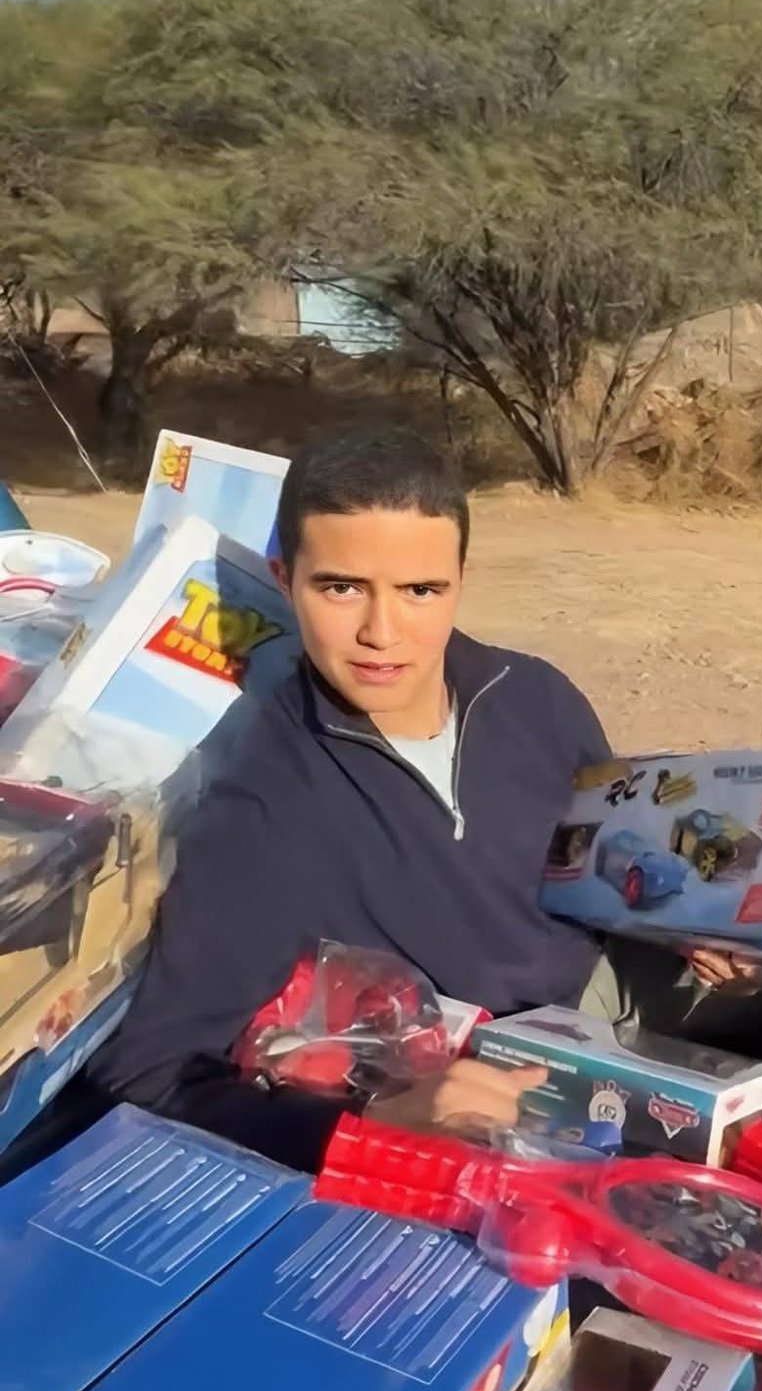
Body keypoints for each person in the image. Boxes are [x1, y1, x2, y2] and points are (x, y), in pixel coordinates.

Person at [95, 425, 730, 1169]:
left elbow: (603, 854)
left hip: (634, 977)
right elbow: (151, 1072)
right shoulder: (263, 806)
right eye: (341, 588)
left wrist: (702, 927)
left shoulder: (533, 694)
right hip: (528, 1086)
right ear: (283, 579)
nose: (381, 632)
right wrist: (383, 1119)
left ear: (460, 578)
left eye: (420, 591)